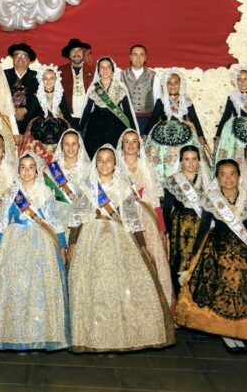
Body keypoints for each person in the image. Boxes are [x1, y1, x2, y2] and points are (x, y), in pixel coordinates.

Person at [67, 145, 174, 352]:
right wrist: (72, 244)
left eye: (109, 160)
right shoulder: (87, 187)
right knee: (94, 289)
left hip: (119, 239)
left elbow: (132, 220)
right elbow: (77, 219)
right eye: (100, 160)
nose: (104, 163)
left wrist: (142, 246)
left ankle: (117, 337)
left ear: (115, 164)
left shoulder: (124, 188)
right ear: (95, 164)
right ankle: (95, 337)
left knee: (118, 288)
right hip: (91, 239)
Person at [175, 160, 247, 353]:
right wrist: (194, 255)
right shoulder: (211, 198)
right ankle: (226, 333)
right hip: (217, 250)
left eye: (232, 174)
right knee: (220, 291)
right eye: (223, 174)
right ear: (217, 178)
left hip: (245, 251)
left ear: (239, 176)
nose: (228, 178)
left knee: (244, 290)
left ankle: (238, 331)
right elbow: (204, 228)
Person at [0, 153, 70, 352]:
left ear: (37, 170)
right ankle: (18, 337)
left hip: (40, 243)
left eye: (31, 167)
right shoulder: (12, 194)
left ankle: (39, 336)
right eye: (23, 167)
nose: (27, 171)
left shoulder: (45, 193)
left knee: (38, 290)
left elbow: (55, 222)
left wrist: (61, 246)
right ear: (18, 170)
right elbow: (1, 223)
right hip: (14, 243)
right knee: (17, 289)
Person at [117, 129, 173, 310]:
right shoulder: (116, 168)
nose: (131, 145)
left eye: (134, 141)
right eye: (127, 142)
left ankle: (157, 308)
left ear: (139, 145)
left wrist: (162, 230)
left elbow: (156, 201)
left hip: (148, 221)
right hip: (126, 221)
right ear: (122, 145)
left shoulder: (147, 168)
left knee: (153, 261)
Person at [162, 145, 212, 295]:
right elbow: (167, 210)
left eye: (194, 159)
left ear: (199, 161)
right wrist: (168, 232)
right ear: (181, 161)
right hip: (180, 228)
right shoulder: (173, 181)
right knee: (180, 263)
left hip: (202, 226)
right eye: (186, 159)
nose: (190, 163)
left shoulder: (207, 181)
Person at [144, 71, 209, 182]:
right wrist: (145, 134)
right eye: (169, 82)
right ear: (165, 85)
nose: (172, 85)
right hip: (162, 132)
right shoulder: (162, 100)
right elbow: (153, 118)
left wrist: (200, 135)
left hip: (185, 131)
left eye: (175, 82)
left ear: (180, 84)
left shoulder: (186, 100)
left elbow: (194, 118)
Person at [80, 56, 137, 158]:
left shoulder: (120, 87)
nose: (105, 70)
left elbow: (127, 110)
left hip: (116, 124)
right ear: (98, 70)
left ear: (112, 70)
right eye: (102, 67)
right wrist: (79, 129)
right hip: (96, 124)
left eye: (108, 67)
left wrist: (133, 129)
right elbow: (87, 110)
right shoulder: (94, 87)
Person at [18, 64, 72, 159]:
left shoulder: (60, 96)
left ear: (56, 80)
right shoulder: (36, 96)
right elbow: (28, 117)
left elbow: (67, 116)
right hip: (38, 133)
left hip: (58, 133)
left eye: (51, 78)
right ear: (41, 80)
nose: (48, 81)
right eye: (45, 78)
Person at [47, 128, 93, 232]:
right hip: (58, 216)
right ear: (61, 146)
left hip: (82, 218)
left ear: (79, 145)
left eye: (74, 144)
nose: (70, 148)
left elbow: (92, 195)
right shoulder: (53, 169)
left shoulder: (88, 168)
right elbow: (46, 196)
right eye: (67, 144)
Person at [121, 44, 161, 130]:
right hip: (126, 118)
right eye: (135, 54)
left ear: (145, 57)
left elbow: (158, 101)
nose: (138, 58)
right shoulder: (121, 75)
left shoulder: (153, 76)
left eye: (141, 55)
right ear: (130, 57)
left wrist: (154, 120)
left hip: (147, 119)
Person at [5, 43, 41, 134]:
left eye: (24, 56)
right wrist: (12, 111)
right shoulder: (3, 75)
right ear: (13, 59)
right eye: (17, 55)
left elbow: (40, 96)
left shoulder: (38, 76)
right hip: (7, 119)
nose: (20, 58)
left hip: (31, 121)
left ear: (29, 60)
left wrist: (25, 109)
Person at [59, 38, 92, 127]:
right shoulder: (60, 71)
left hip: (89, 117)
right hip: (68, 117)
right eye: (73, 51)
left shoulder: (93, 70)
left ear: (83, 53)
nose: (76, 53)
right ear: (69, 54)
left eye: (79, 50)